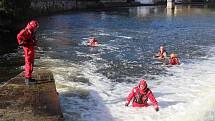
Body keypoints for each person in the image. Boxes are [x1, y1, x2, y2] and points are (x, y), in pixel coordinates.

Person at [17, 20, 39, 85]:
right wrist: (24, 43)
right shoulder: (25, 31)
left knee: (31, 62)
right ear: (33, 26)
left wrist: (33, 42)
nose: (36, 29)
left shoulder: (31, 31)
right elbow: (19, 36)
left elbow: (32, 38)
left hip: (30, 47)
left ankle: (29, 77)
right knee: (28, 62)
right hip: (28, 49)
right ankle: (28, 79)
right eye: (36, 27)